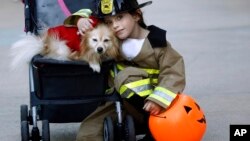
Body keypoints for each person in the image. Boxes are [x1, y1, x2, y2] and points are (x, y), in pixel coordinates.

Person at [64, 0, 186, 140]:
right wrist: (79, 21)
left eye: (120, 17)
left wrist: (158, 100)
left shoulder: (156, 42)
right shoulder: (110, 41)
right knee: (87, 134)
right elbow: (88, 30)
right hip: (119, 104)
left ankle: (154, 128)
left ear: (136, 15)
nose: (115, 25)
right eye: (109, 22)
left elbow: (173, 72)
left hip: (155, 107)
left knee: (127, 77)